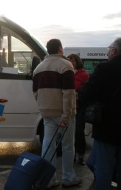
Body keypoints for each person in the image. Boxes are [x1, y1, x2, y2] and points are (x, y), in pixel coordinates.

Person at [33, 39, 82, 188]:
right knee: (67, 146)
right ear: (60, 49)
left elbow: (35, 93)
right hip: (63, 114)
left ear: (48, 50)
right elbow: (68, 94)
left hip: (46, 113)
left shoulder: (38, 68)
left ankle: (49, 179)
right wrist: (66, 116)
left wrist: (44, 106)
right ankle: (68, 177)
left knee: (48, 144)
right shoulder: (65, 65)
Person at [81, 38, 121, 190]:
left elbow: (87, 93)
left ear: (114, 51)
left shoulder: (105, 68)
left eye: (109, 49)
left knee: (103, 167)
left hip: (108, 127)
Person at [67, 54, 89, 165]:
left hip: (79, 108)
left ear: (77, 62)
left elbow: (87, 91)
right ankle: (72, 155)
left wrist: (77, 94)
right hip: (68, 107)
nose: (71, 62)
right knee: (70, 133)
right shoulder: (66, 73)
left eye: (73, 61)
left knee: (79, 132)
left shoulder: (84, 75)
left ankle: (81, 155)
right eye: (70, 60)